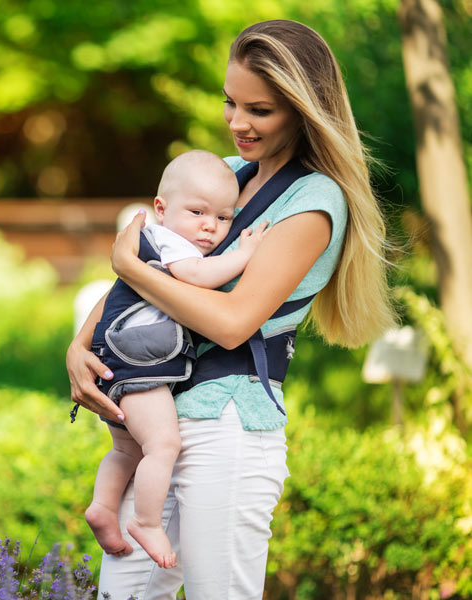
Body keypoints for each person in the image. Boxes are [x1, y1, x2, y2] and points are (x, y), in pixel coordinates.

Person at [66, 20, 394, 599]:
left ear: (302, 110)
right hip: (159, 423)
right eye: (230, 102)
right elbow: (148, 274)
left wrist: (129, 266)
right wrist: (80, 347)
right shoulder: (223, 174)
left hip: (229, 428)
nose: (237, 122)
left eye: (259, 110)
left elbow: (232, 318)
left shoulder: (315, 202)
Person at [84, 150, 269, 570]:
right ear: (161, 209)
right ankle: (146, 522)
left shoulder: (165, 238)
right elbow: (198, 277)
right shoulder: (169, 242)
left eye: (224, 218)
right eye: (198, 211)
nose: (210, 225)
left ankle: (101, 507)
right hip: (140, 368)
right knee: (164, 444)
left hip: (120, 364)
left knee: (127, 450)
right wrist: (244, 252)